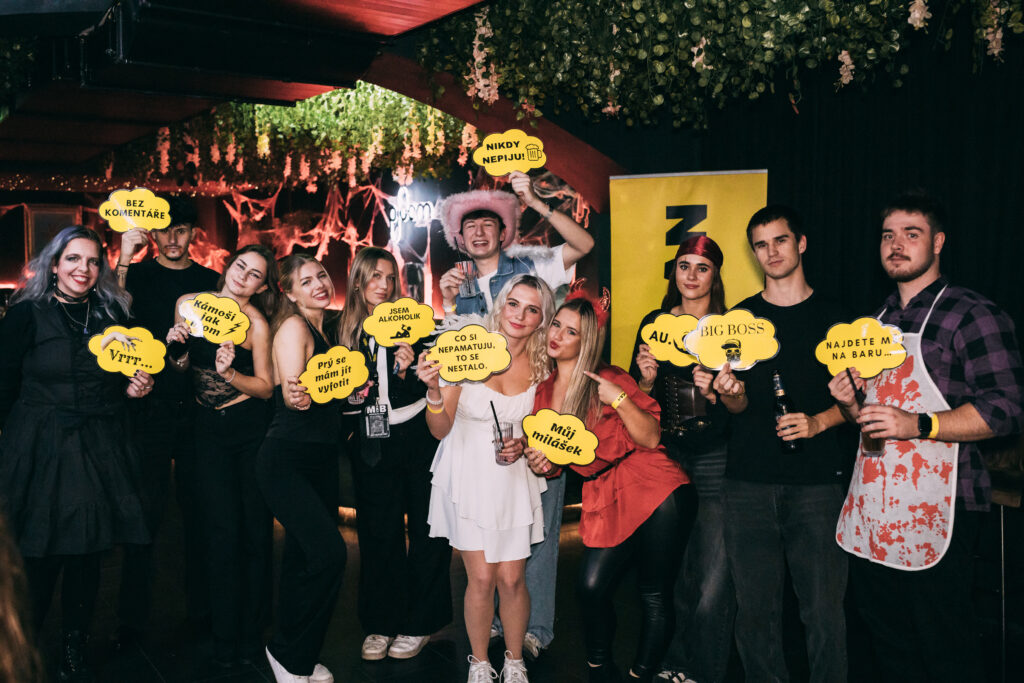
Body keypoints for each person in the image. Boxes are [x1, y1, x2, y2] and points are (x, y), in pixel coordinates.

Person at [828, 192, 1023, 682]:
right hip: (875, 506)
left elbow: (1006, 409)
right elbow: (869, 419)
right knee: (887, 642)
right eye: (887, 235)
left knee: (943, 646)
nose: (896, 245)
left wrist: (919, 423)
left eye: (910, 234)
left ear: (937, 243)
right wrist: (850, 402)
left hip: (943, 504)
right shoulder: (875, 323)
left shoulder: (971, 314)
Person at [438, 172, 594, 658]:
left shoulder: (531, 264)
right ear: (458, 237)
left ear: (504, 231)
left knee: (535, 544)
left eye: (489, 224)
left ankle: (532, 632)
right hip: (475, 436)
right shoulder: (460, 283)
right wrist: (446, 302)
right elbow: (455, 357)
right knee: (483, 566)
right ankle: (488, 637)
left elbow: (584, 245)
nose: (480, 232)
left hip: (531, 418)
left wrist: (536, 201)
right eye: (470, 227)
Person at [694, 206, 849, 682]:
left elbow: (860, 405)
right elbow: (737, 408)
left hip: (818, 486)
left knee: (823, 614)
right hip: (748, 484)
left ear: (800, 243)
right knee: (755, 615)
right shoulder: (737, 321)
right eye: (761, 245)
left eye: (780, 240)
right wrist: (730, 393)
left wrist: (819, 422)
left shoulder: (837, 318)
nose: (771, 252)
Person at [0, 226, 153, 681]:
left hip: (98, 444)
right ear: (53, 264)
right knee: (38, 552)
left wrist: (136, 388)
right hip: (40, 443)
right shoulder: (26, 314)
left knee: (87, 552)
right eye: (72, 259)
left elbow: (124, 379)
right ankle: (24, 646)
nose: (82, 269)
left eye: (91, 261)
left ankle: (73, 645)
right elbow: (3, 382)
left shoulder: (112, 315)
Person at [526, 294, 694, 683]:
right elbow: (556, 462)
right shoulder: (543, 392)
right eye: (556, 325)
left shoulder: (610, 377)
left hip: (653, 486)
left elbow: (651, 437)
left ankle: (640, 675)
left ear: (586, 341)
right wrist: (541, 462)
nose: (558, 336)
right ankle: (600, 670)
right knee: (590, 587)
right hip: (602, 491)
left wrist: (617, 397)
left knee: (653, 594)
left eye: (572, 332)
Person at [418, 274, 554, 683]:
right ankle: (479, 662)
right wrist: (434, 390)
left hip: (513, 477)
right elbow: (439, 429)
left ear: (542, 319)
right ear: (501, 304)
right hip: (467, 472)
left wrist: (525, 443)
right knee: (480, 577)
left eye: (532, 309)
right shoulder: (469, 348)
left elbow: (544, 426)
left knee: (512, 578)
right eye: (514, 303)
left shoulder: (544, 365)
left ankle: (514, 660)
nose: (520, 315)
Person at [337, 247, 452, 662]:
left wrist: (409, 370)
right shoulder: (343, 331)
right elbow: (340, 397)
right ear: (357, 280)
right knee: (377, 533)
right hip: (372, 439)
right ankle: (380, 622)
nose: (383, 285)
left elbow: (437, 381)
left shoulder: (417, 324)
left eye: (389, 277)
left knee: (428, 530)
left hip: (419, 435)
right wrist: (352, 396)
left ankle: (421, 623)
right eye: (374, 276)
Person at [114, 197, 220, 647]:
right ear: (152, 233)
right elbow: (112, 312)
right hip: (149, 407)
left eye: (182, 230)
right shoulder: (136, 276)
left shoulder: (209, 282)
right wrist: (123, 258)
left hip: (197, 409)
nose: (173, 238)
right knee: (144, 514)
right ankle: (131, 621)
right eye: (165, 229)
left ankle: (203, 612)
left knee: (200, 514)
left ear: (193, 233)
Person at [629, 235, 735, 683]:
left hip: (715, 455)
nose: (691, 275)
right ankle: (672, 660)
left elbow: (743, 406)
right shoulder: (653, 324)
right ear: (673, 272)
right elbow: (636, 399)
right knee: (668, 567)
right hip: (665, 455)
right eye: (684, 265)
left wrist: (719, 391)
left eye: (702, 267)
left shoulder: (731, 328)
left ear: (715, 276)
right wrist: (645, 380)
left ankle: (705, 669)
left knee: (712, 571)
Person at [166, 244, 277, 666]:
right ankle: (223, 631)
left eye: (254, 274)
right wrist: (177, 349)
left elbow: (265, 387)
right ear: (228, 266)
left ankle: (251, 632)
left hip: (247, 429)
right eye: (240, 266)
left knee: (252, 530)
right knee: (219, 529)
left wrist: (231, 374)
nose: (242, 276)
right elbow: (181, 368)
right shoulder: (188, 304)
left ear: (262, 286)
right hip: (205, 427)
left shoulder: (256, 324)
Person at [256, 254, 344, 683]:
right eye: (305, 281)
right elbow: (293, 393)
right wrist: (299, 397)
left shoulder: (326, 330)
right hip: (287, 458)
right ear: (289, 293)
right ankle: (288, 654)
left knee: (301, 559)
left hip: (320, 459)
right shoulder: (294, 326)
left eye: (321, 276)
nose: (318, 285)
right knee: (330, 555)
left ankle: (297, 655)